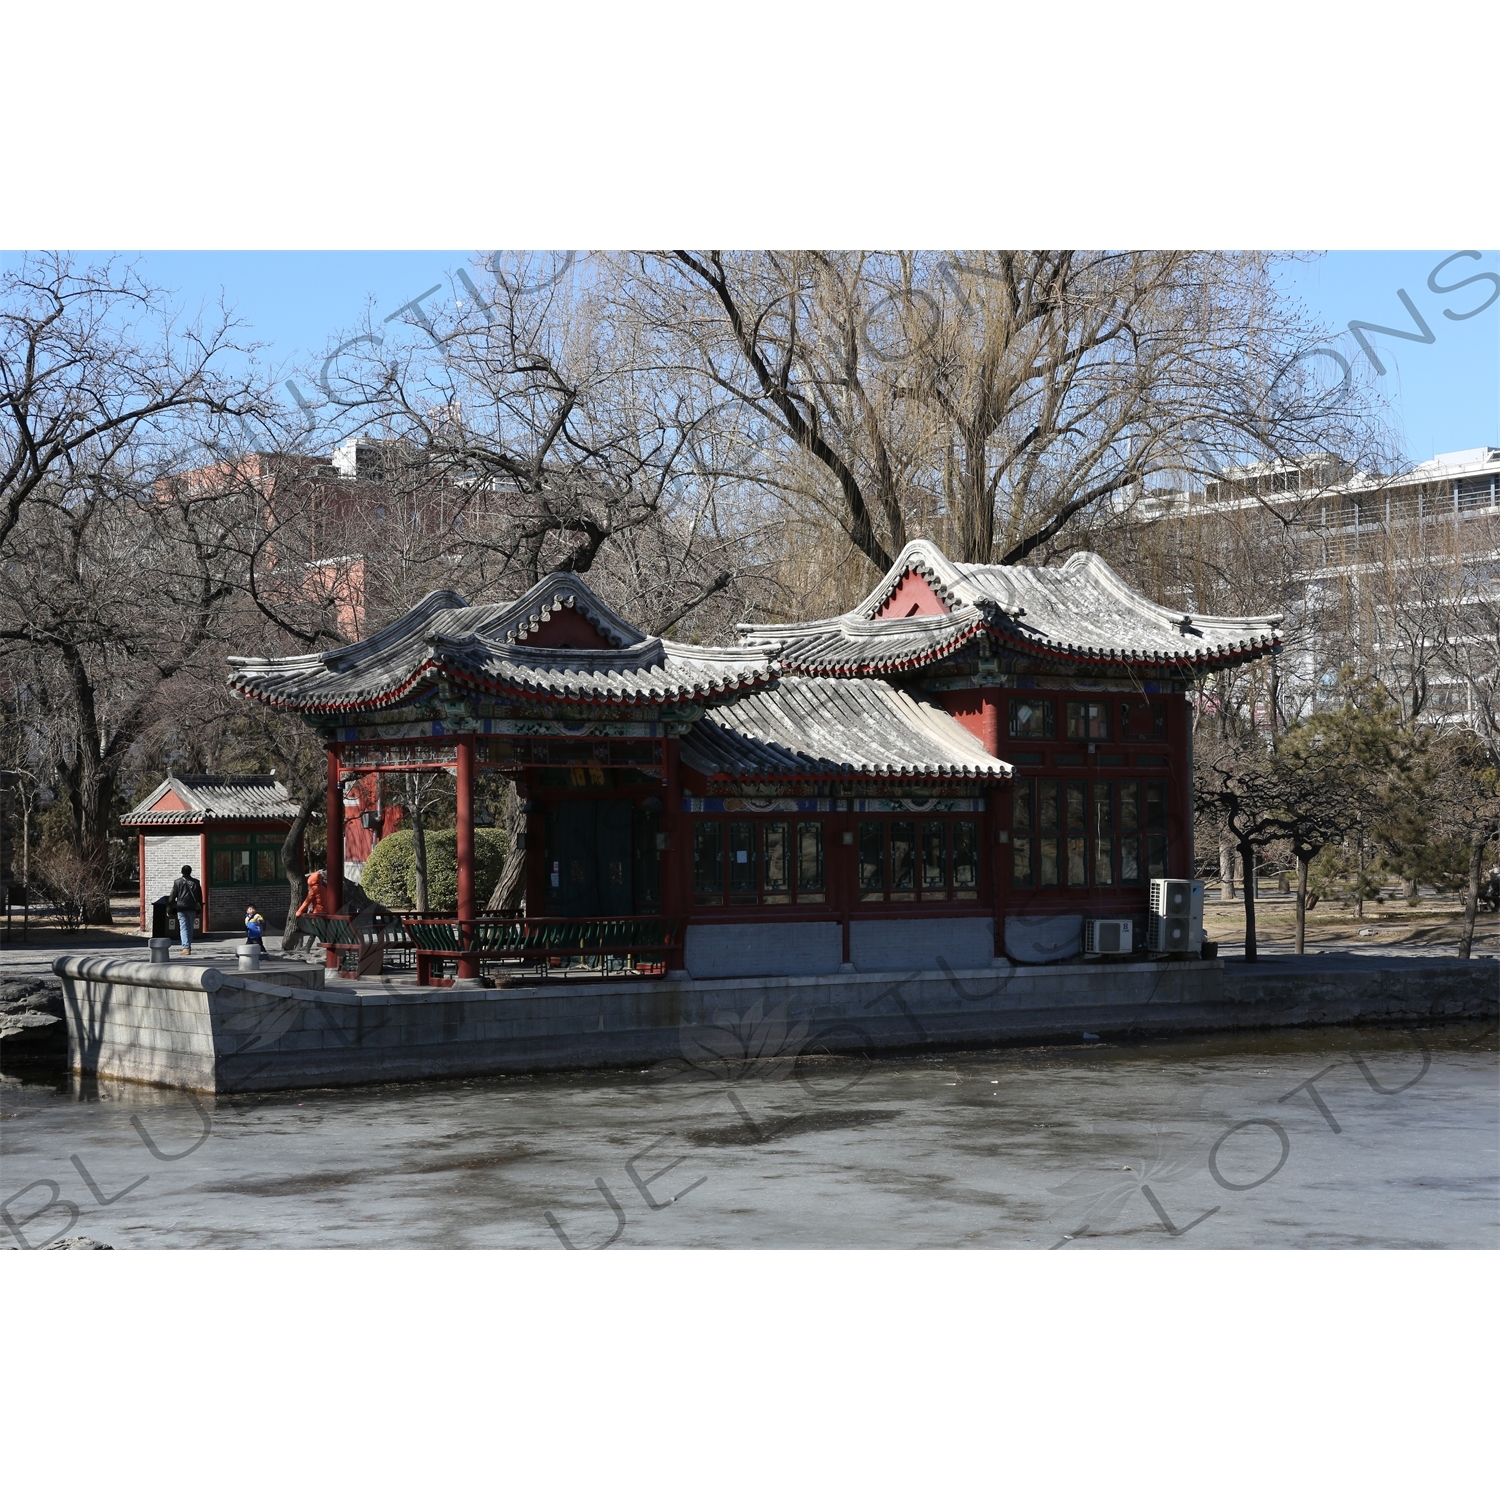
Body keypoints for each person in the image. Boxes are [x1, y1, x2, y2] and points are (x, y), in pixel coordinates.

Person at [169, 864, 203, 954]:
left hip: (181, 908)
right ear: (190, 872)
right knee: (190, 927)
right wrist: (199, 910)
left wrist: (169, 908)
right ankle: (188, 946)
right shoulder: (196, 882)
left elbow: (172, 896)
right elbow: (199, 897)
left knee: (183, 928)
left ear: (182, 872)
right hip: (192, 907)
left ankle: (185, 947)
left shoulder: (177, 882)